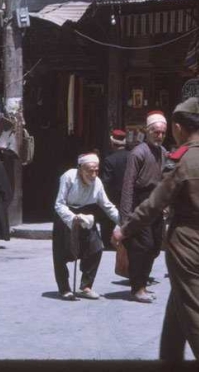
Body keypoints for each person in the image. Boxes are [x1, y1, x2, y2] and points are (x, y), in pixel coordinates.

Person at [112, 98, 199, 360]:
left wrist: (125, 229)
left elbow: (154, 203)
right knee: (176, 311)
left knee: (194, 314)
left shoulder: (181, 160)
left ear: (177, 127)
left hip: (185, 246)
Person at [53, 153, 120, 301]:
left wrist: (124, 221)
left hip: (86, 215)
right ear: (80, 169)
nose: (93, 174)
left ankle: (86, 286)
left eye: (96, 170)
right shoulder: (69, 177)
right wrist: (73, 218)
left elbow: (108, 206)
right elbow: (59, 203)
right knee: (62, 253)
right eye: (90, 170)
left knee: (96, 248)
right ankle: (64, 289)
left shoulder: (97, 183)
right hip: (67, 215)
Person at [120, 111, 168, 303]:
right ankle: (137, 287)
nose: (159, 136)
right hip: (140, 204)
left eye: (163, 132)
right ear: (147, 132)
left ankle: (143, 284)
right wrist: (125, 219)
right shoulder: (138, 153)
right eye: (156, 132)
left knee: (155, 246)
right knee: (143, 246)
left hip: (156, 205)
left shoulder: (164, 153)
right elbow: (128, 185)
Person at [98, 129, 129, 251]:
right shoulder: (132, 156)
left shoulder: (109, 160)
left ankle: (108, 242)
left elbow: (106, 181)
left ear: (112, 143)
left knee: (107, 217)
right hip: (128, 196)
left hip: (114, 197)